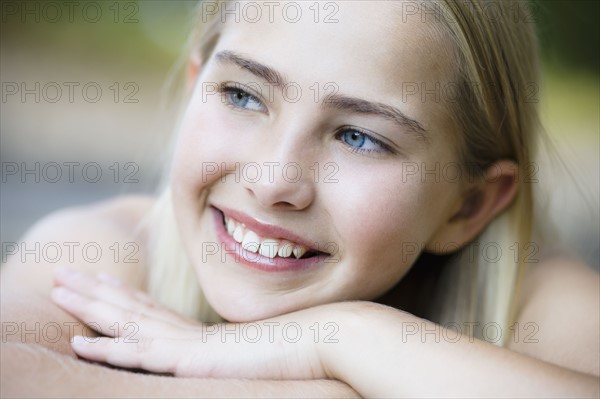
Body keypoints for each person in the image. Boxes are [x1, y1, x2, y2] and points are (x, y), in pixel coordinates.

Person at [2, 1, 598, 397]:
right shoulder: (103, 253)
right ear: (196, 87)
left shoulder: (546, 302)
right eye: (242, 95)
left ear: (469, 206)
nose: (273, 179)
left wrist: (340, 337)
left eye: (360, 137)